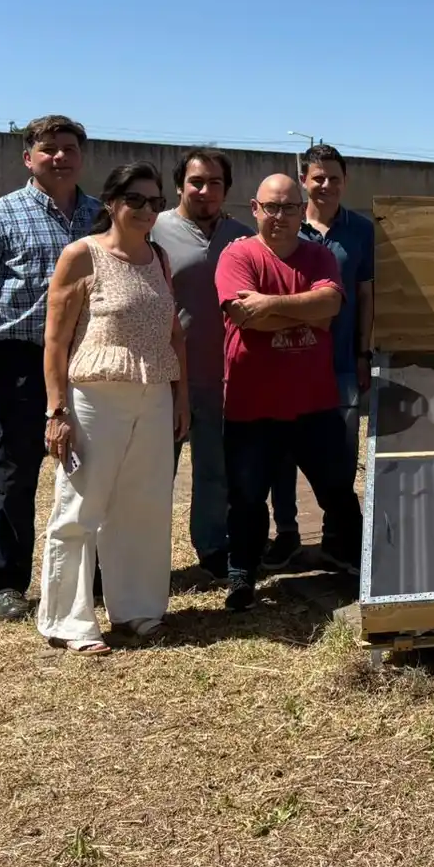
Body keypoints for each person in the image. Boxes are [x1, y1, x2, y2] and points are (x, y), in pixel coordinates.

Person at [0, 115, 102, 622]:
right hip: (20, 360)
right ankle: (7, 581)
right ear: (28, 157)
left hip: (88, 361)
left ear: (82, 155)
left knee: (89, 469)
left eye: (69, 148)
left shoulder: (102, 218)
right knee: (13, 473)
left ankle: (89, 575)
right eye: (49, 148)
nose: (60, 156)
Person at [36, 163, 188, 654]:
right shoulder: (82, 255)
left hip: (155, 391)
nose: (147, 210)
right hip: (95, 396)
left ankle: (139, 610)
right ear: (111, 202)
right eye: (136, 200)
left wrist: (180, 396)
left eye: (155, 202)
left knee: (144, 507)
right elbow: (55, 341)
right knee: (81, 506)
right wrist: (56, 412)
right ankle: (68, 620)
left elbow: (174, 334)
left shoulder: (159, 257)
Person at [215, 175, 365, 611]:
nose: (280, 216)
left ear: (302, 210)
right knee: (245, 497)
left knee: (337, 490)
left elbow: (331, 308)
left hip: (313, 403)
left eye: (289, 208)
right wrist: (304, 313)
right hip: (251, 403)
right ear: (254, 208)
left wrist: (270, 305)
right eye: (271, 207)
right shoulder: (237, 256)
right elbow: (245, 316)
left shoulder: (319, 256)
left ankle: (363, 566)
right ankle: (242, 574)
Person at [266, 144, 376, 572]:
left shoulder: (361, 231)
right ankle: (287, 534)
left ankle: (337, 537)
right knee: (282, 454)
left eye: (333, 177)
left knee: (341, 455)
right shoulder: (283, 226)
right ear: (303, 180)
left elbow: (366, 296)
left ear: (345, 182)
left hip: (342, 363)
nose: (325, 185)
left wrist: (364, 352)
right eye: (318, 177)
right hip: (287, 362)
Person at [151, 147, 253, 579]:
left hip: (223, 377)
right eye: (196, 181)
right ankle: (143, 557)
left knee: (215, 470)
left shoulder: (244, 236)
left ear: (226, 189)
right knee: (154, 472)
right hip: (164, 375)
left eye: (215, 183)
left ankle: (212, 548)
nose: (205, 190)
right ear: (180, 185)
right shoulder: (153, 230)